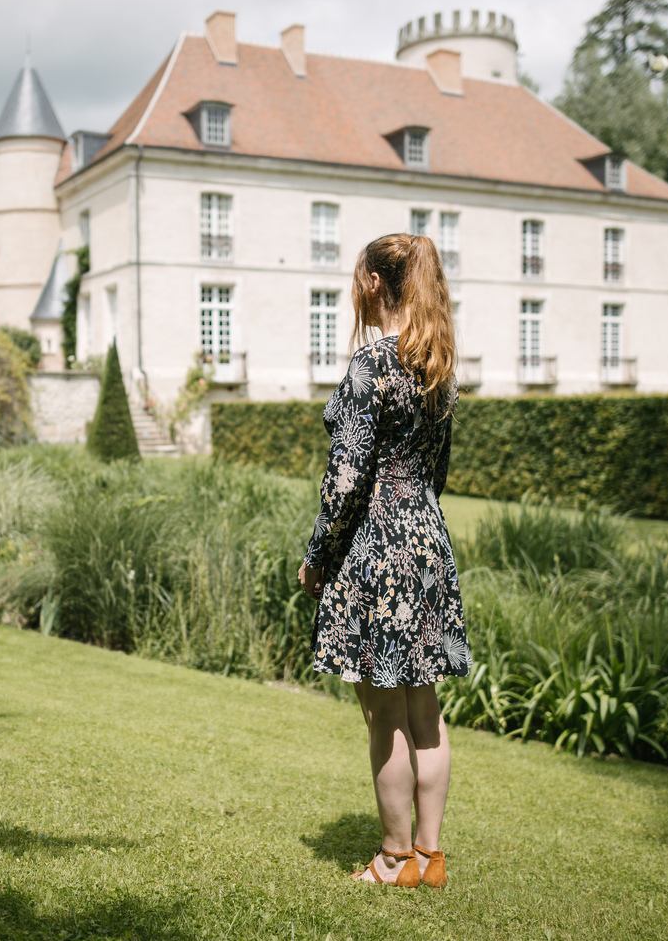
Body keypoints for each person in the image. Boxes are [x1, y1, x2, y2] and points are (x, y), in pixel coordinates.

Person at [297, 231, 471, 889]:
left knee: (384, 714)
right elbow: (440, 470)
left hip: (376, 551)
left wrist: (318, 557)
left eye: (354, 277)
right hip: (428, 545)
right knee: (425, 708)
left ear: (373, 281)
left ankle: (393, 859)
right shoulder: (438, 366)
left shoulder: (372, 364)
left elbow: (345, 480)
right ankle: (429, 858)